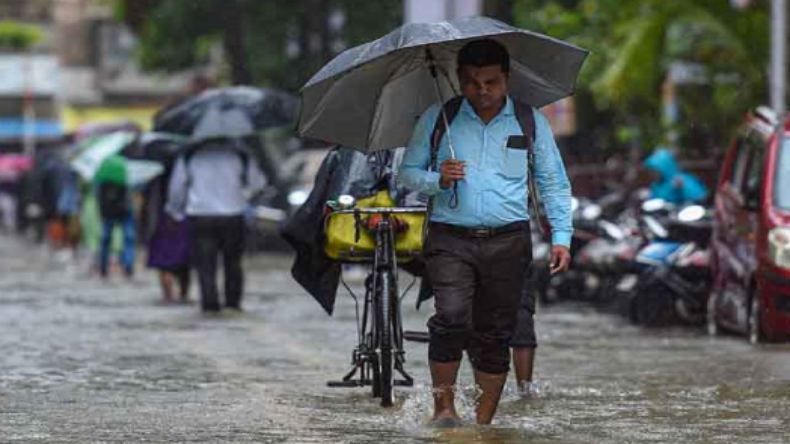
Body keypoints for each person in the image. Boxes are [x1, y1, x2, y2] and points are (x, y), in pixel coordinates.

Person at [399, 39, 573, 426]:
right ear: (460, 80)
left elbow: (553, 182)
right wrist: (436, 179)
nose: (482, 91)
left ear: (506, 79)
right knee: (452, 315)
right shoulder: (437, 118)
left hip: (509, 239)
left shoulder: (530, 121)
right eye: (473, 82)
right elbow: (407, 173)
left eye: (491, 82)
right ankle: (444, 410)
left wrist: (562, 235)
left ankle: (483, 423)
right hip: (449, 238)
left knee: (497, 330)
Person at [166, 141, 265, 314]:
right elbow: (257, 183)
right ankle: (232, 304)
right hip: (233, 214)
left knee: (205, 263)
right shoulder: (240, 153)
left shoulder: (190, 155)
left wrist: (176, 211)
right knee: (233, 262)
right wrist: (242, 193)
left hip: (200, 215)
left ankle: (210, 305)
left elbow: (176, 188)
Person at [96, 168, 136, 279]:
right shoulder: (125, 173)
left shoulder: (102, 176)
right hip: (122, 212)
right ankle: (127, 266)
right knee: (128, 239)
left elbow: (98, 197)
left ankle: (104, 267)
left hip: (111, 212)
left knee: (106, 239)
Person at [643, 148, 708, 205]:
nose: (652, 174)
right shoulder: (656, 185)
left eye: (654, 171)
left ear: (664, 168)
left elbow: (700, 197)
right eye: (651, 171)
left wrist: (681, 189)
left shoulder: (683, 180)